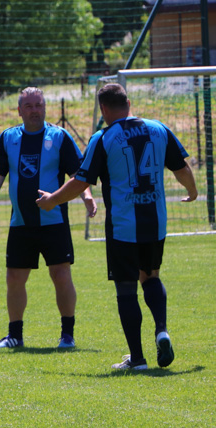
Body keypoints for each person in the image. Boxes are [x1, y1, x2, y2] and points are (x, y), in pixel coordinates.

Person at [36, 83, 198, 370]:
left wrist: (52, 200)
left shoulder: (103, 137)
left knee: (126, 287)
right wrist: (193, 192)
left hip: (123, 225)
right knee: (151, 276)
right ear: (129, 103)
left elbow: (81, 181)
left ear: (103, 109)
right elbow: (182, 168)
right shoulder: (158, 128)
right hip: (156, 221)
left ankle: (137, 359)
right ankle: (161, 329)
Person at [0, 86, 97, 350]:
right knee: (14, 278)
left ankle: (67, 335)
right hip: (21, 223)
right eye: (30, 106)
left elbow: (77, 174)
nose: (35, 110)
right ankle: (15, 335)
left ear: (45, 107)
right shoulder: (8, 138)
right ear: (20, 110)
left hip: (54, 221)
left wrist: (86, 196)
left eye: (39, 105)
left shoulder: (59, 136)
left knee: (60, 274)